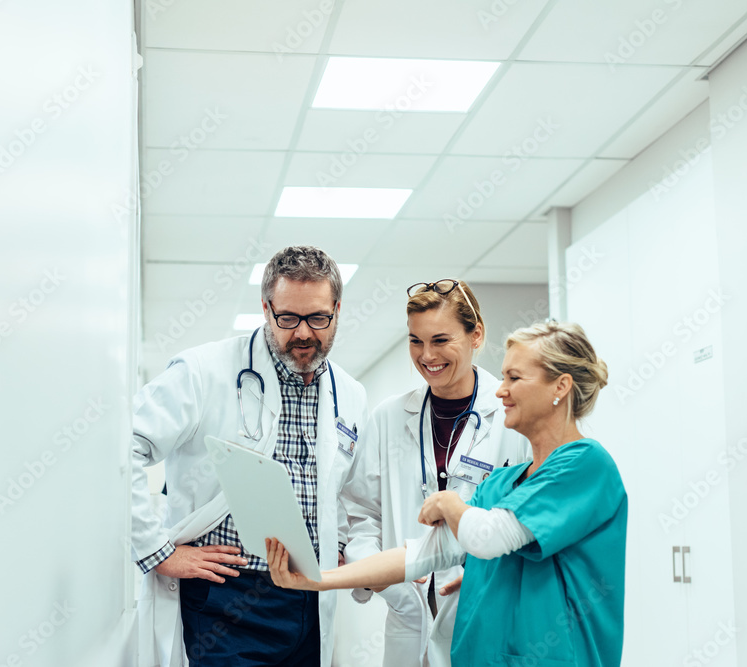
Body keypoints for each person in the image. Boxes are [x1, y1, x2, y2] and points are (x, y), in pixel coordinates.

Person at [268, 320, 627, 667]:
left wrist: (448, 502)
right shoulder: (502, 483)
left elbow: (487, 536)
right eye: (503, 377)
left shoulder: (587, 465)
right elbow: (423, 553)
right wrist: (317, 579)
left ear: (560, 386)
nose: (500, 390)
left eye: (514, 378)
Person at [130, 246, 368, 667]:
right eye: (288, 318)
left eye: (317, 318)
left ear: (336, 309)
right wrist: (158, 551)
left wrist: (345, 543)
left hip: (308, 599)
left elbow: (352, 491)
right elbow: (123, 447)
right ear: (265, 308)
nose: (303, 334)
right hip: (227, 598)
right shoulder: (204, 370)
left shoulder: (350, 394)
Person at [341, 279, 531, 667]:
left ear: (476, 335)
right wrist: (371, 568)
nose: (427, 355)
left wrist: (488, 574)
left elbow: (527, 525)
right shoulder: (389, 418)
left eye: (441, 340)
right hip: (407, 618)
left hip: (484, 615)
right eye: (416, 341)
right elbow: (361, 515)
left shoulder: (514, 417)